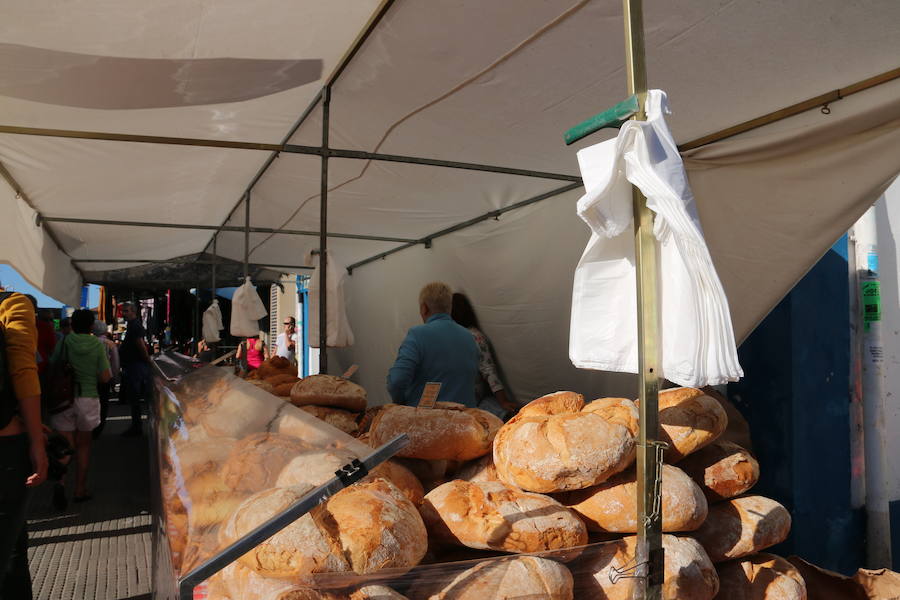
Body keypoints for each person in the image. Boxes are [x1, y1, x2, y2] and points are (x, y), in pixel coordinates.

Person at [0, 290, 47, 599]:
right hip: (6, 444)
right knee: (11, 546)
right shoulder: (12, 304)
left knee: (14, 544)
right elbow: (23, 370)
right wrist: (36, 442)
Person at [48, 309, 111, 506]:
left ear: (72, 325)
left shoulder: (65, 342)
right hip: (88, 398)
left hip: (63, 400)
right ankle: (80, 490)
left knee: (64, 446)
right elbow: (105, 376)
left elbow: (52, 365)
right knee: (84, 445)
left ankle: (60, 482)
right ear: (91, 326)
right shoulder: (97, 344)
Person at [386, 282, 479, 407]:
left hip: (429, 419)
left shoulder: (417, 334)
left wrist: (401, 402)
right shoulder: (469, 337)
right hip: (466, 419)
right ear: (449, 307)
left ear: (424, 308)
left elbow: (397, 381)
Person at [450, 293, 518, 419]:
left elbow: (488, 370)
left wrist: (503, 401)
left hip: (463, 398)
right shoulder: (473, 336)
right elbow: (488, 370)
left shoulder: (472, 337)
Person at [119, 302, 151, 437]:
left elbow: (141, 345)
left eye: (126, 311)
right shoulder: (133, 325)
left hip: (136, 366)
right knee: (135, 398)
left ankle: (137, 427)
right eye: (123, 311)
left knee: (136, 397)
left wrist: (148, 360)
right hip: (134, 365)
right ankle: (136, 426)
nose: (124, 314)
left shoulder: (135, 326)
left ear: (133, 311)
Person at [91, 319, 119, 439]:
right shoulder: (110, 344)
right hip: (106, 378)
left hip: (91, 378)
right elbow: (115, 364)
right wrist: (115, 379)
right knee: (103, 404)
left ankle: (91, 427)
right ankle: (99, 427)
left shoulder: (89, 342)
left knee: (92, 403)